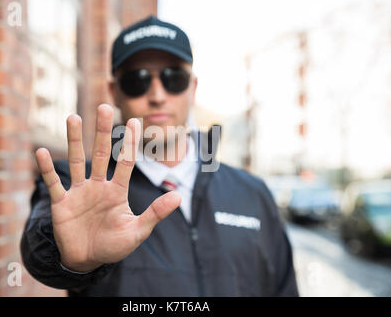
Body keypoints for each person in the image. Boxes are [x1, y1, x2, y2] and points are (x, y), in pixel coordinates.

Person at [20, 15, 299, 297]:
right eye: (137, 80)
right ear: (114, 92)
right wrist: (71, 260)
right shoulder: (77, 187)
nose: (157, 95)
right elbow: (40, 251)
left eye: (173, 78)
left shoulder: (252, 192)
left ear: (193, 87)